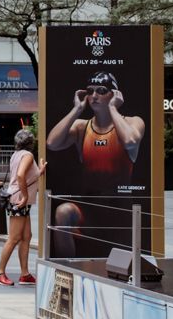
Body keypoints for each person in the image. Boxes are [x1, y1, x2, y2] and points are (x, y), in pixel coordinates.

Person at [46, 73, 147, 255]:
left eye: (101, 90)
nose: (94, 96)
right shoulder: (81, 127)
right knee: (63, 212)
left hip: (119, 208)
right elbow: (52, 143)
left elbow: (130, 141)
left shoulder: (133, 122)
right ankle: (66, 268)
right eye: (90, 91)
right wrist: (76, 109)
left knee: (119, 260)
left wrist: (113, 109)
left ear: (114, 94)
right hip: (90, 206)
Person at [0, 129, 41, 287]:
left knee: (26, 236)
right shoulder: (27, 155)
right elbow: (20, 175)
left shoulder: (16, 154)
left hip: (19, 200)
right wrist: (25, 196)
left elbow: (26, 176)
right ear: (31, 142)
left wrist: (40, 171)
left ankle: (25, 274)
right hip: (20, 200)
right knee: (14, 238)